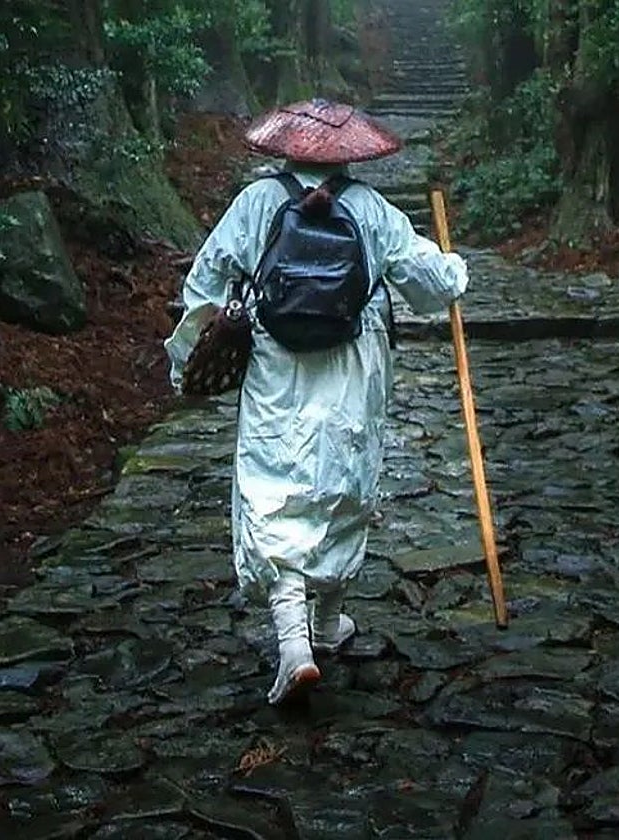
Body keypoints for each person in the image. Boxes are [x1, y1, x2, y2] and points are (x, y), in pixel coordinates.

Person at [164, 100, 469, 705]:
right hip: (354, 364)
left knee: (273, 481)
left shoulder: (255, 204)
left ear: (285, 148)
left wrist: (185, 363)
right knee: (344, 479)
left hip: (278, 364)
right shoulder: (372, 210)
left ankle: (298, 643)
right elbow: (430, 283)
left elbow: (204, 281)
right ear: (354, 153)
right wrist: (455, 269)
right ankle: (328, 620)